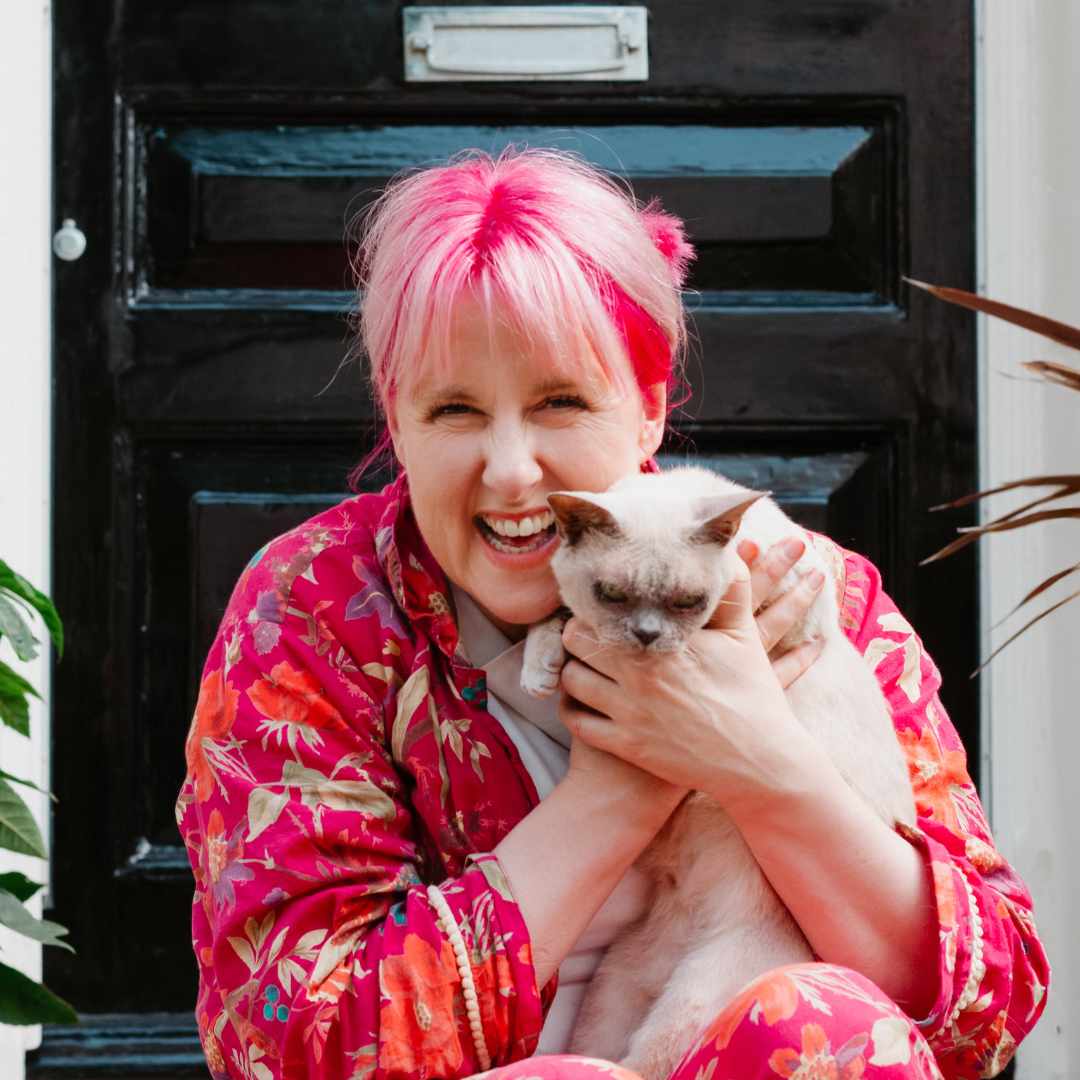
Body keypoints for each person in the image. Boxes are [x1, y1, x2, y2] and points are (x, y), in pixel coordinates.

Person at [175, 146, 1049, 1080]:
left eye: (559, 402)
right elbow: (291, 1047)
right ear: (396, 420)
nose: (511, 472)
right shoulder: (312, 612)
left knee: (821, 1026)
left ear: (648, 410)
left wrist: (760, 764)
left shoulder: (804, 586)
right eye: (455, 412)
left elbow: (985, 1011)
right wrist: (625, 783)